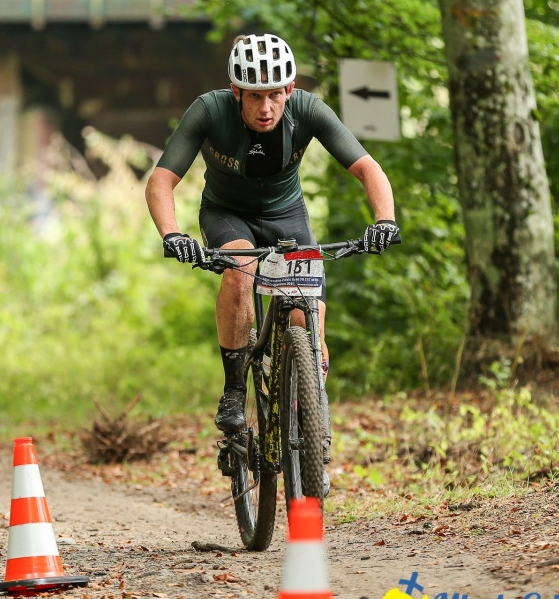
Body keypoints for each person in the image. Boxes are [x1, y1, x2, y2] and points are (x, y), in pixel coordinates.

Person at [145, 33, 399, 455]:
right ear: (236, 92)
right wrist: (172, 234)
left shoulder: (308, 110)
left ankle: (308, 411)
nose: (266, 108)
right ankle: (233, 391)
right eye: (255, 97)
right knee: (239, 273)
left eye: (275, 96)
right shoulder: (209, 111)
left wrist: (385, 220)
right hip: (227, 214)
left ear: (290, 91)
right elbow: (161, 181)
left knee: (309, 314)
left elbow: (367, 167)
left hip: (287, 217)